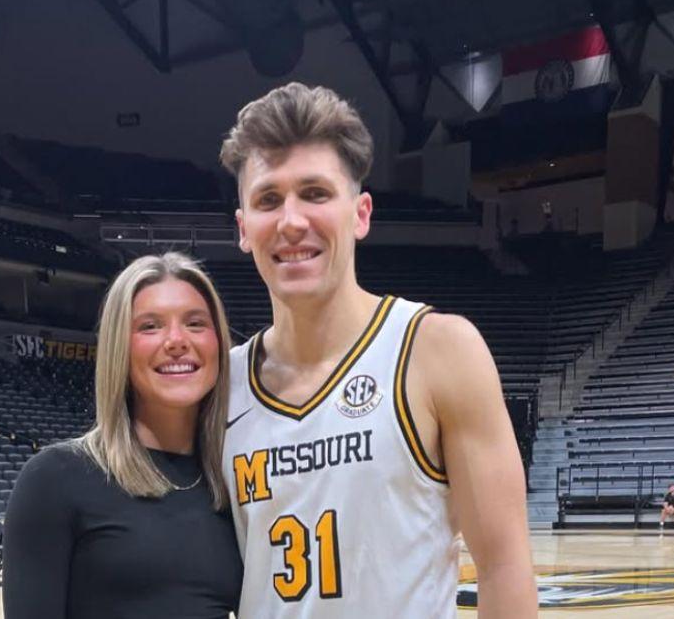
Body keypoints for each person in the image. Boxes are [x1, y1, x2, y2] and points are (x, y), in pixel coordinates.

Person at [217, 83, 536, 618]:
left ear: (361, 214)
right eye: (268, 199)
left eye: (315, 193)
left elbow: (503, 566)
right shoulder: (219, 388)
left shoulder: (436, 351)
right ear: (244, 228)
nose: (292, 221)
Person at [3, 252, 240, 619]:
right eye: (150, 326)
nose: (177, 340)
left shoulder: (232, 482)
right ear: (119, 348)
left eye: (195, 323)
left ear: (219, 343)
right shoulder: (54, 478)